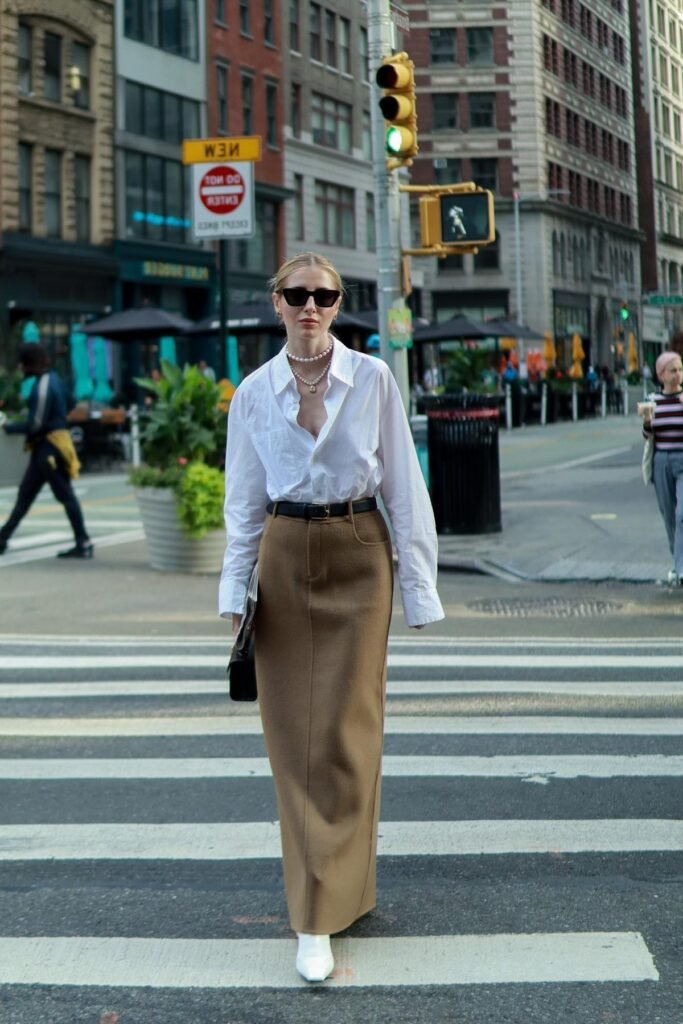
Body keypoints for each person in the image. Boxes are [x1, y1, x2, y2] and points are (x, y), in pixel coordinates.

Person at [219, 252, 444, 983]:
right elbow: (242, 503)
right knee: (293, 743)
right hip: (283, 554)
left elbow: (404, 487)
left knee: (349, 735)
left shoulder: (372, 378)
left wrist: (419, 589)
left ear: (338, 304)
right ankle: (313, 912)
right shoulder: (252, 393)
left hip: (358, 552)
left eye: (322, 295)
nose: (309, 306)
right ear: (276, 302)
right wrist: (234, 596)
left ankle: (344, 892)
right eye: (296, 295)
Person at [0, 344, 93, 559]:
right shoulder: (56, 380)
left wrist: (8, 427)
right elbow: (71, 403)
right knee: (26, 495)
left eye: (23, 363)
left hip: (48, 448)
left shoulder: (42, 386)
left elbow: (35, 424)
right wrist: (58, 417)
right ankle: (2, 539)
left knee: (63, 495)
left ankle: (84, 542)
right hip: (50, 446)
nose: (21, 368)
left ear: (29, 364)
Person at [639, 350, 683, 586]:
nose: (678, 375)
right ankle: (678, 564)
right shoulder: (651, 400)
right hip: (661, 461)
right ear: (661, 375)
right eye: (672, 370)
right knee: (669, 516)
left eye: (680, 370)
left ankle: (681, 568)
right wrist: (647, 423)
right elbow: (648, 435)